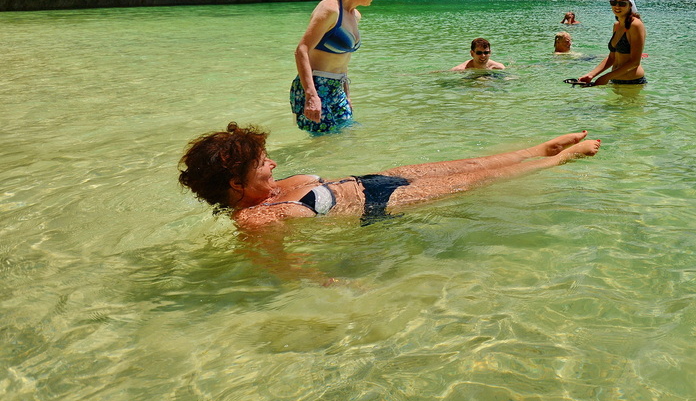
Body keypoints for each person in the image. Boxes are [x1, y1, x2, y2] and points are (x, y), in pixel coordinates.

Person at [179, 123, 601, 229]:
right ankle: (559, 159)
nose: (273, 165)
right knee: (479, 182)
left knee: (472, 165)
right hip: (380, 203)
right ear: (236, 184)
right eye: (262, 163)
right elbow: (284, 266)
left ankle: (538, 149)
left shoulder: (264, 193)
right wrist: (329, 284)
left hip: (372, 179)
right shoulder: (255, 219)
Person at [291, 0, 396, 134]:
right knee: (323, 143)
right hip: (317, 87)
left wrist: (347, 95)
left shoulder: (355, 15)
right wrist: (311, 95)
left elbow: (343, 59)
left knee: (347, 138)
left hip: (338, 88)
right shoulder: (330, 9)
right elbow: (301, 50)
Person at [574, 0, 646, 86]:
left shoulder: (635, 25)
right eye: (613, 2)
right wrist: (591, 75)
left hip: (633, 83)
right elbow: (612, 57)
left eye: (622, 3)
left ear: (630, 5)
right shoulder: (617, 25)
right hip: (615, 81)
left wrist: (606, 77)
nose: (617, 6)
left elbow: (635, 62)